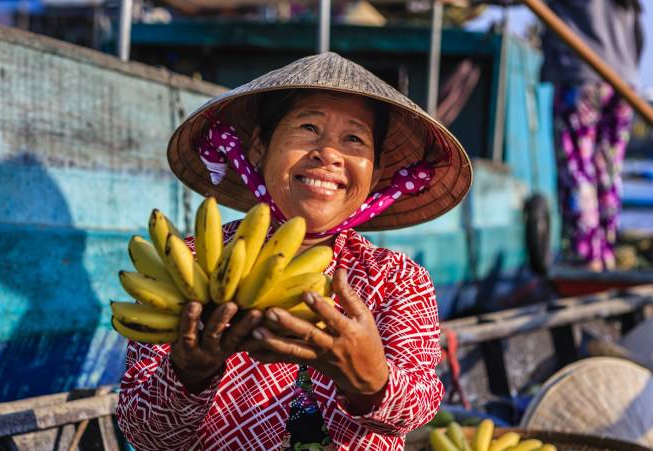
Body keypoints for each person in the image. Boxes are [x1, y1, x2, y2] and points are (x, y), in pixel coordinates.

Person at [116, 52, 472, 450]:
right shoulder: (191, 264)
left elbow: (421, 405)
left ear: (373, 173)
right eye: (308, 128)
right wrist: (187, 374)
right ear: (258, 148)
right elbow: (142, 432)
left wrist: (374, 382)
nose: (329, 154)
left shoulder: (397, 279)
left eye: (353, 139)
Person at [541, 0, 644, 271]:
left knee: (578, 167)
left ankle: (586, 254)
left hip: (582, 74)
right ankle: (605, 251)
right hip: (623, 83)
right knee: (608, 171)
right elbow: (639, 35)